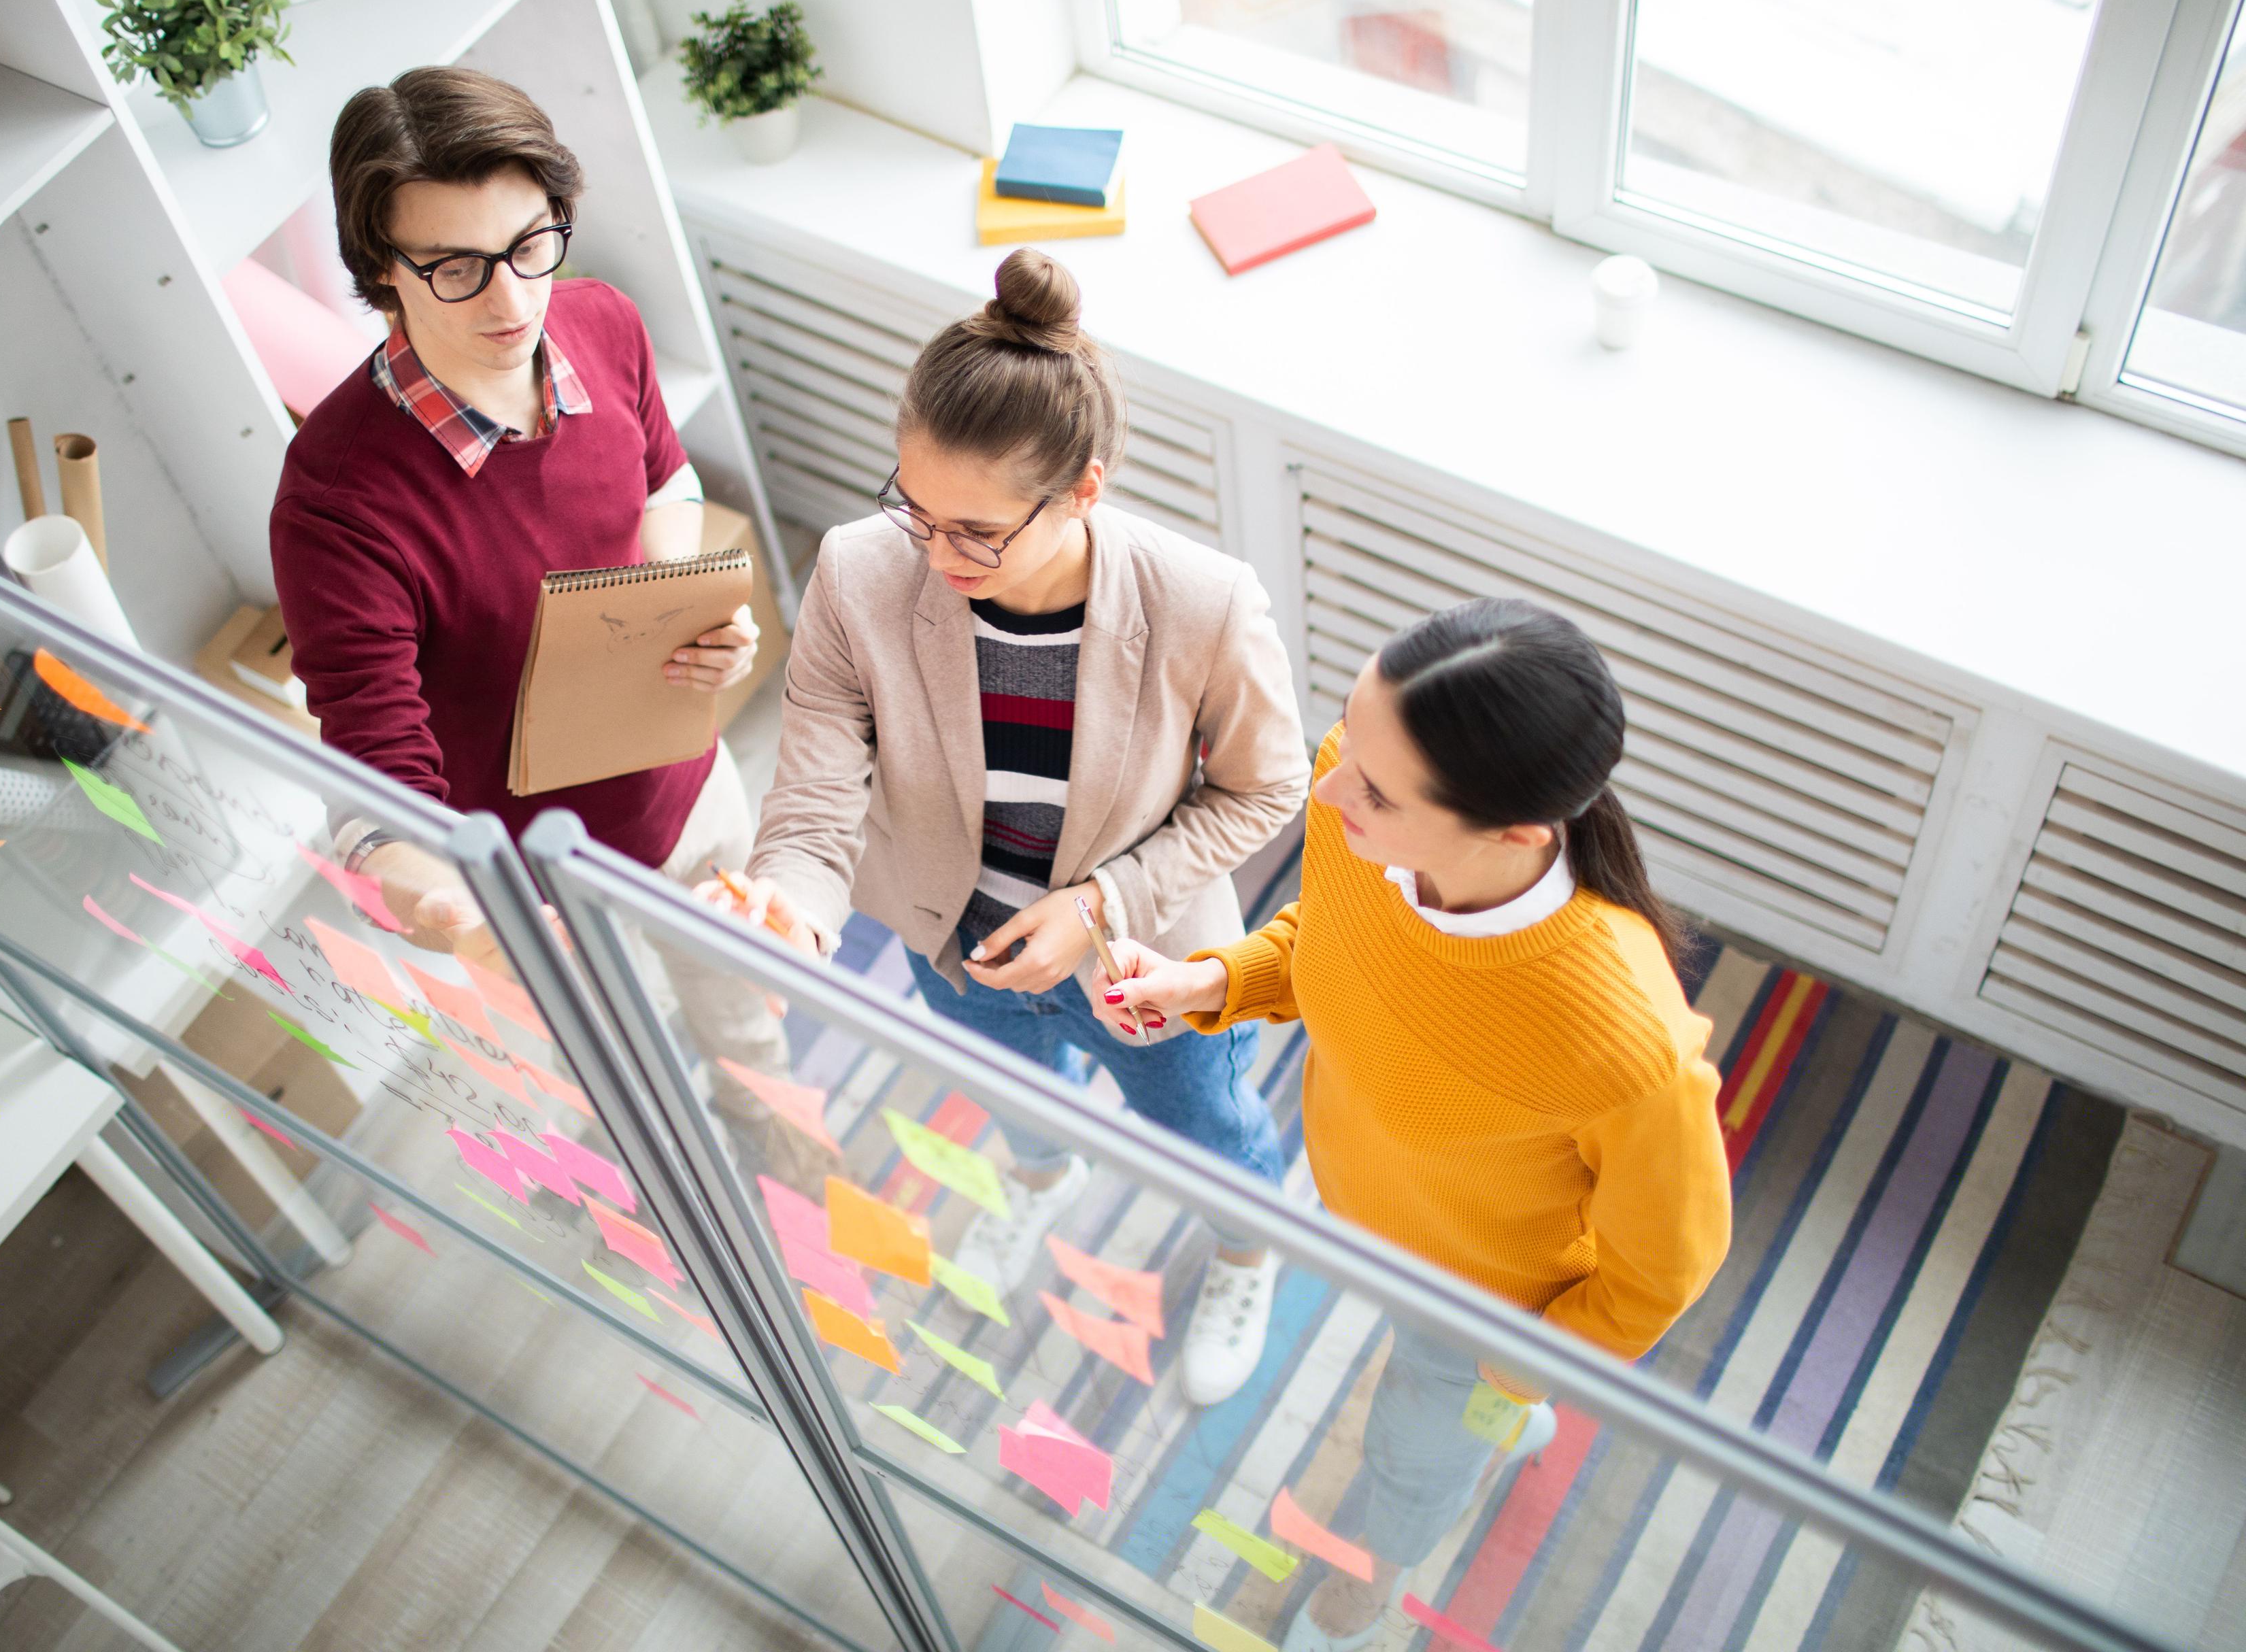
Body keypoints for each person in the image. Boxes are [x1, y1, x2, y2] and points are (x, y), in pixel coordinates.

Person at [725, 248, 1311, 1404]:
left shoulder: (1204, 602)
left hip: (1146, 968)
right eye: (915, 508)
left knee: (1209, 1135)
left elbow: (1266, 789)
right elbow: (820, 773)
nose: (936, 560)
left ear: (1085, 490)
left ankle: (1247, 1250)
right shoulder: (861, 568)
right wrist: (787, 896)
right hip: (955, 945)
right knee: (1017, 1099)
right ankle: (1041, 1185)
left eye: (977, 533)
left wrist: (1098, 907)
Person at [1103, 599, 1733, 1651]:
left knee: (1412, 1451)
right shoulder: (1358, 791)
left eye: (1378, 792)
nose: (1329, 779)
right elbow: (1330, 941)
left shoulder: (1624, 1040)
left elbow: (1662, 1269)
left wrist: (1521, 1369)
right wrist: (1209, 980)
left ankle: (1372, 1586)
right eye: (1348, 731)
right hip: (1366, 1212)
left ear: (1518, 834)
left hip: (1489, 1312)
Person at [269, 68, 809, 1171]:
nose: (513, 301)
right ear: (381, 271)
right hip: (533, 882)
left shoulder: (601, 322)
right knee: (611, 1087)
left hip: (687, 785)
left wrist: (679, 614)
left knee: (750, 1022)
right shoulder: (335, 497)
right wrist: (451, 908)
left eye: (530, 245)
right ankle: (665, 1190)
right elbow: (378, 777)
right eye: (457, 269)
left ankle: (783, 1150)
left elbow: (665, 483)